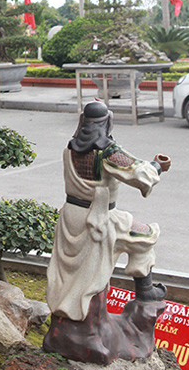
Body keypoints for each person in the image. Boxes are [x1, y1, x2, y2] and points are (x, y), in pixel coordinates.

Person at [46, 99, 169, 322]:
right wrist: (158, 166)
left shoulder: (70, 147)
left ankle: (68, 310)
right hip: (101, 218)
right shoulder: (107, 151)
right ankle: (145, 289)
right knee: (144, 236)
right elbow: (138, 171)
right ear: (107, 123)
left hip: (70, 216)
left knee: (69, 272)